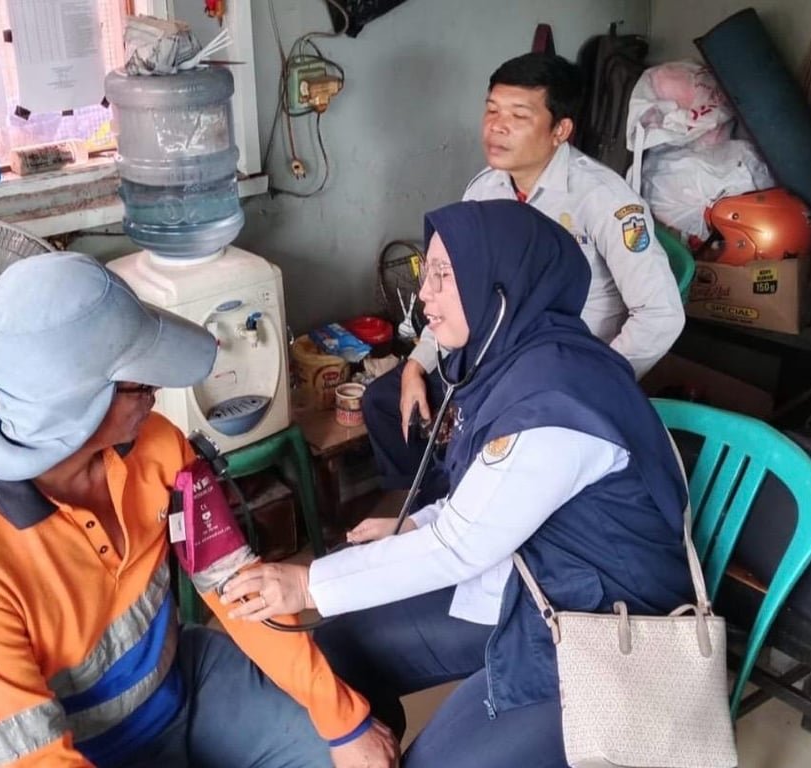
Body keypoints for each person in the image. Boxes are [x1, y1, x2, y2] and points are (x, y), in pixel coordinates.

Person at [218, 200, 694, 767]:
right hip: (534, 583)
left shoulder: (555, 399)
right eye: (429, 272)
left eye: (445, 274)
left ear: (500, 286)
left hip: (603, 629)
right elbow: (492, 496)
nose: (425, 294)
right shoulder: (510, 362)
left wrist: (306, 584)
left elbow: (458, 549)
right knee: (343, 647)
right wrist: (417, 522)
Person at [0, 253, 398, 768]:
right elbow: (41, 761)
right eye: (141, 385)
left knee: (355, 749)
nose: (158, 393)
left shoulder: (158, 445)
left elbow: (238, 587)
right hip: (86, 750)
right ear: (75, 407)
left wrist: (343, 720)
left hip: (179, 682)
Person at [362, 53, 684, 504]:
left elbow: (661, 315)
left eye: (518, 116)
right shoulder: (485, 190)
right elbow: (460, 294)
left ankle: (464, 512)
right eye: (492, 110)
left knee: (488, 442)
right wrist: (418, 364)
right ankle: (433, 507)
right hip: (489, 359)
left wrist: (594, 380)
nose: (497, 127)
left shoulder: (603, 200)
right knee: (383, 400)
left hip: (559, 373)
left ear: (560, 130)